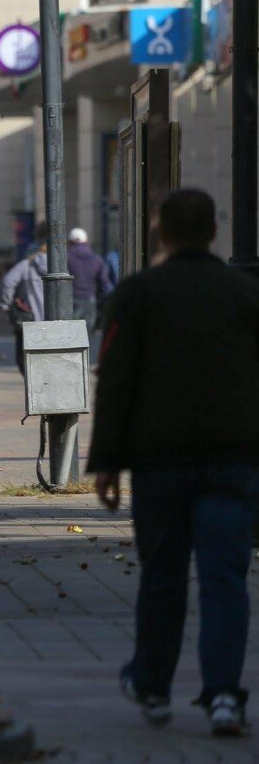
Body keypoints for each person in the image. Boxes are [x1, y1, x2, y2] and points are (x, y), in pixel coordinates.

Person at [88, 189, 259, 737]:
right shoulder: (245, 292)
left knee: (162, 575)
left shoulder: (138, 293)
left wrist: (108, 462)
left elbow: (116, 380)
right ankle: (225, 695)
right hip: (233, 459)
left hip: (159, 461)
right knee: (225, 578)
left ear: (162, 233)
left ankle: (153, 683)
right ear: (213, 232)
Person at [0, 224, 48, 377]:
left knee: (24, 360)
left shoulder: (27, 264)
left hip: (29, 320)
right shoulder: (60, 266)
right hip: (53, 322)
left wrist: (5, 304)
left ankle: (33, 386)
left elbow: (8, 281)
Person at [66, 227, 113, 332]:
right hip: (89, 300)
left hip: (70, 301)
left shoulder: (66, 258)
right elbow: (105, 284)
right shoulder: (96, 259)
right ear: (86, 241)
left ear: (69, 242)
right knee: (87, 336)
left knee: (71, 336)